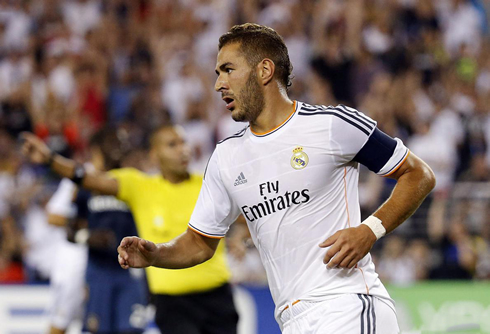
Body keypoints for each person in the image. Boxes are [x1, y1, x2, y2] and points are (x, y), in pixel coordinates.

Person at [115, 23, 435, 334]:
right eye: (217, 74)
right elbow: (200, 242)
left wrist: (370, 230)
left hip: (348, 304)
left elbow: (418, 175)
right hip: (291, 319)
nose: (218, 85)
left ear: (264, 70)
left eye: (228, 70)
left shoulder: (332, 125)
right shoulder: (226, 158)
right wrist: (155, 253)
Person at [20, 125, 238, 334]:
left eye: (184, 142)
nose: (183, 149)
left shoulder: (209, 184)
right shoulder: (138, 185)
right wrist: (50, 159)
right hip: (171, 302)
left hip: (218, 296)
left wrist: (244, 238)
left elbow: (247, 214)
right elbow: (87, 178)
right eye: (172, 144)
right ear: (154, 155)